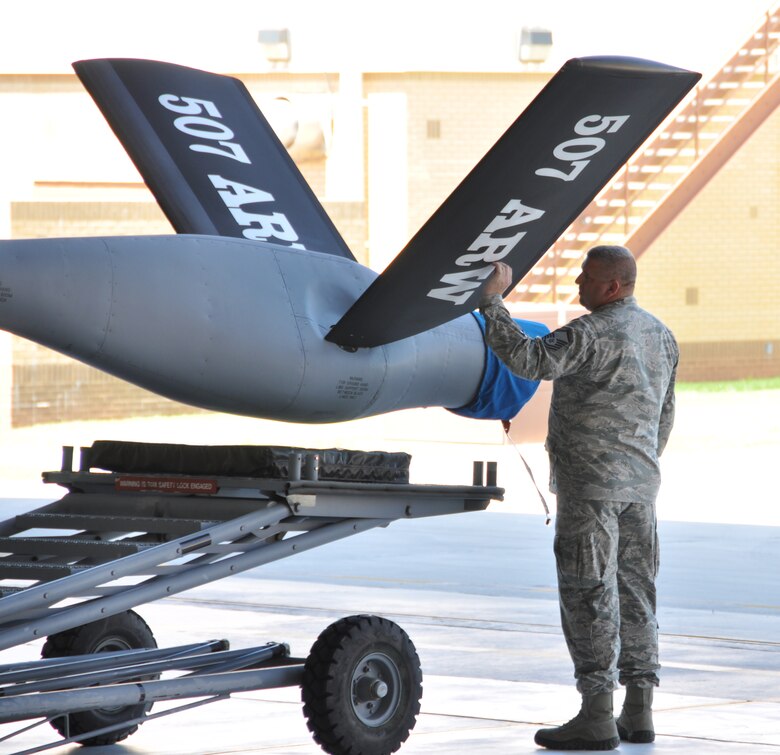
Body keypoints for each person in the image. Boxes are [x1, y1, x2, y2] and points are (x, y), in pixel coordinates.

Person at [479, 245, 677, 751]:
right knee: (637, 594)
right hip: (640, 486)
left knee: (589, 594)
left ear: (612, 287)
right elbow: (665, 414)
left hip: (591, 489)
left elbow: (528, 360)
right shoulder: (661, 335)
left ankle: (596, 714)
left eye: (586, 278)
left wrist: (493, 303)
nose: (576, 285)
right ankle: (639, 711)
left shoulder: (590, 333)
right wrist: (637, 465)